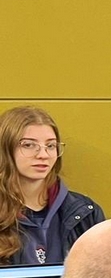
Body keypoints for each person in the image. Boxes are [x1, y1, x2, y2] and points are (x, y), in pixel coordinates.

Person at [0, 105, 103, 267]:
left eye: (50, 146)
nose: (43, 155)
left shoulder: (86, 212)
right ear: (5, 150)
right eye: (28, 145)